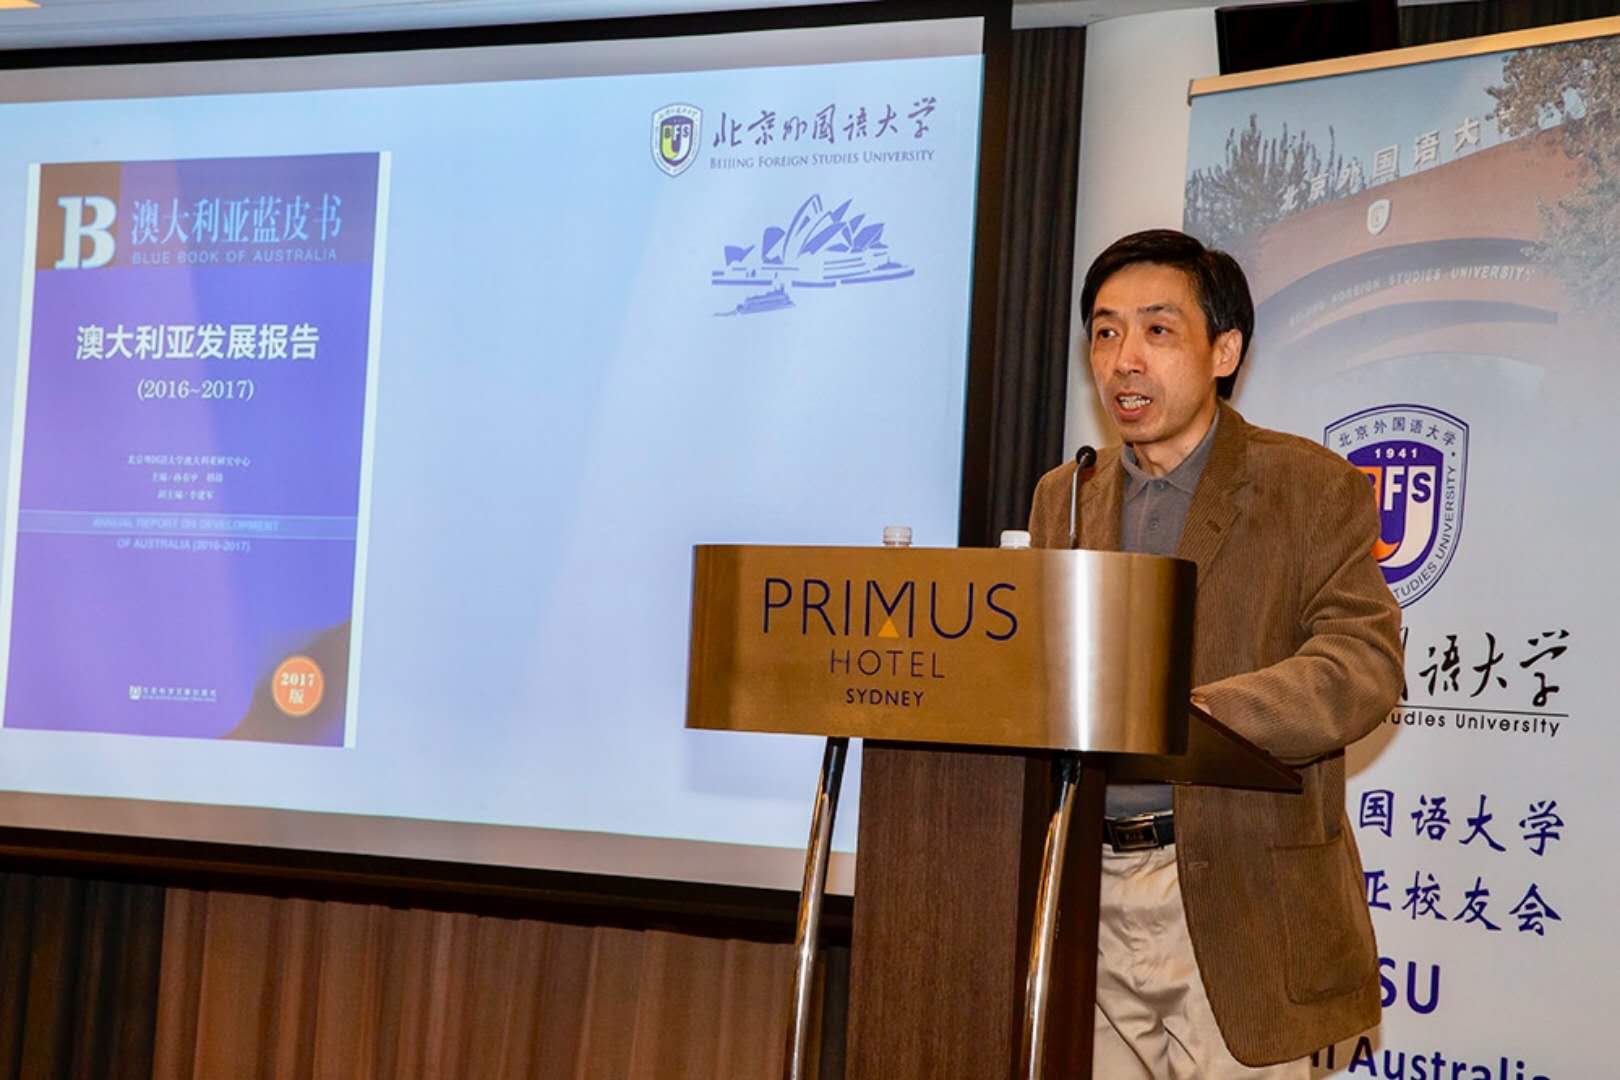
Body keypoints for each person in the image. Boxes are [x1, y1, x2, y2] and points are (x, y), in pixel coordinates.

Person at [1027, 229, 1403, 1077]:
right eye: (1105, 332)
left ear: (1223, 351)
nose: (1125, 360)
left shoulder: (1310, 485)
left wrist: (1198, 714)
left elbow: (1363, 663)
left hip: (1239, 892)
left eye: (1157, 330)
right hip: (1086, 888)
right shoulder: (1067, 495)